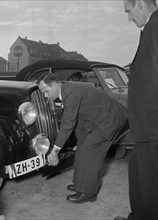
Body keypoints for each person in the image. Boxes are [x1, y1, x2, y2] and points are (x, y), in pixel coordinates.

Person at [37, 72, 128, 203]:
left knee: (90, 150)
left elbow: (68, 124)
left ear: (55, 85)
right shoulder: (66, 91)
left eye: (46, 91)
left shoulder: (71, 93)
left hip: (111, 120)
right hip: (101, 120)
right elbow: (78, 121)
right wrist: (80, 140)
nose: (46, 96)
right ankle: (80, 184)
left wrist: (54, 152)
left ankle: (89, 192)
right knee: (82, 146)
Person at [114, 0, 158, 220]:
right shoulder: (150, 28)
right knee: (137, 171)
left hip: (153, 127)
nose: (129, 18)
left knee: (152, 188)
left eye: (129, 11)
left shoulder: (156, 27)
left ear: (140, 3)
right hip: (145, 128)